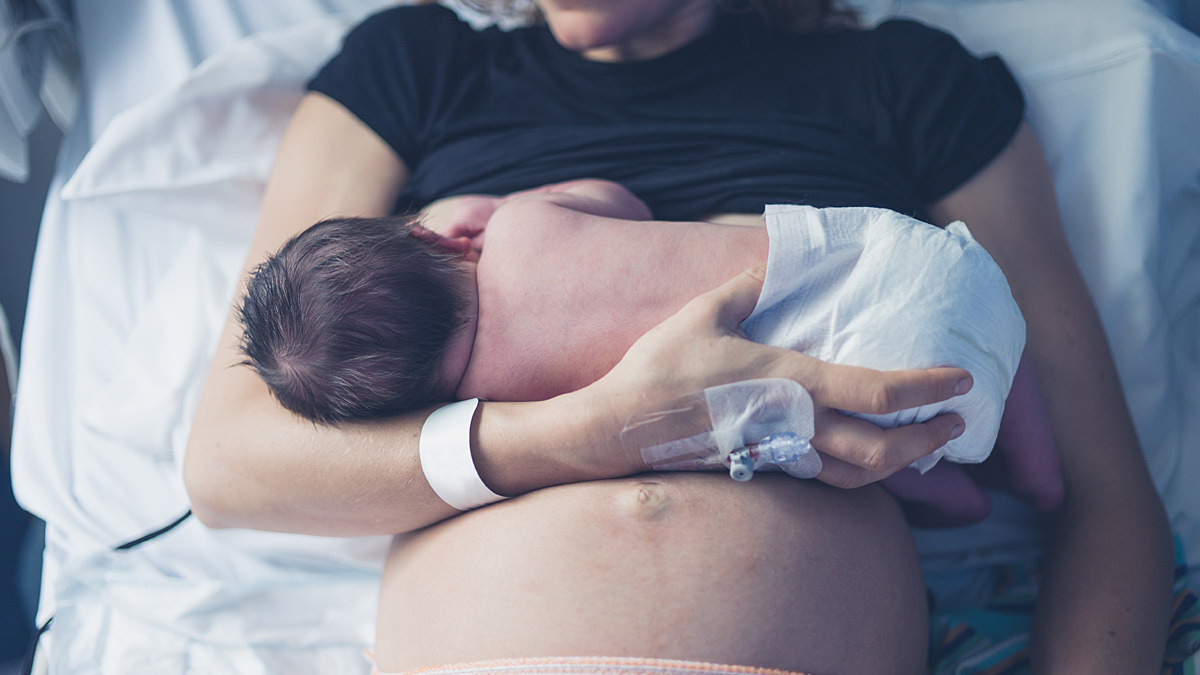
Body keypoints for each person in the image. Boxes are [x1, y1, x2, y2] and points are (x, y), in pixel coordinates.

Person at [184, 2, 1173, 673]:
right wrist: (596, 430)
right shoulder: (417, 67)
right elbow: (230, 463)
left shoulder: (910, 83)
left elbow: (1104, 492)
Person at [238, 177, 1062, 524]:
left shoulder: (497, 403)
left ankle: (977, 497)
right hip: (890, 261)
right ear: (444, 235)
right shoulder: (516, 224)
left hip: (825, 390)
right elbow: (621, 203)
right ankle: (1043, 465)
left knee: (884, 452)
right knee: (974, 313)